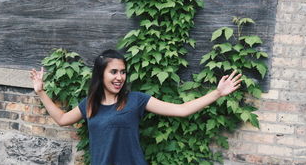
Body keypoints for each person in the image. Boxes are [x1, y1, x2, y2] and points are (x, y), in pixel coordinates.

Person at [30, 49, 242, 165]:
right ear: (101, 74)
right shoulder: (89, 105)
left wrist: (217, 93)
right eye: (114, 72)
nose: (120, 77)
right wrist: (41, 91)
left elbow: (181, 110)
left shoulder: (136, 100)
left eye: (123, 72)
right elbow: (62, 119)